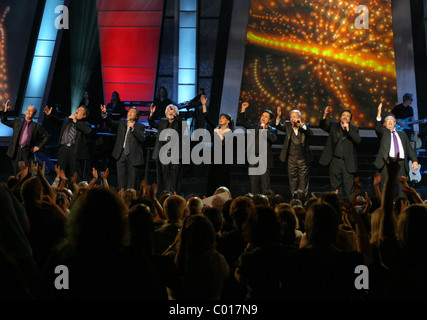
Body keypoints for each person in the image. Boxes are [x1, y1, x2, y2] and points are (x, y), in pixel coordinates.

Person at [374, 102, 418, 199]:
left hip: (401, 163)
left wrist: (414, 160)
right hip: (387, 162)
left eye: (392, 120)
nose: (390, 122)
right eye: (387, 120)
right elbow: (377, 128)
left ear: (395, 123)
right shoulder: (384, 133)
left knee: (403, 187)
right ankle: (386, 209)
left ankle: (403, 208)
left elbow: (409, 149)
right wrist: (379, 113)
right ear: (384, 124)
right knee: (386, 187)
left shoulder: (402, 134)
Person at [319, 106, 361, 199]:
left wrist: (348, 130)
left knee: (349, 188)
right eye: (343, 115)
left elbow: (358, 140)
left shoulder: (354, 129)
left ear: (350, 120)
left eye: (347, 116)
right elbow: (322, 126)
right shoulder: (334, 126)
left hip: (347, 163)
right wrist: (325, 115)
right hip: (335, 161)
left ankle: (349, 209)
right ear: (340, 117)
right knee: (335, 187)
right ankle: (336, 207)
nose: (345, 117)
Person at [101, 104, 146, 190]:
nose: (130, 113)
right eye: (129, 111)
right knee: (121, 179)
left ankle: (130, 197)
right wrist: (105, 114)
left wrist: (133, 129)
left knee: (132, 181)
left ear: (136, 116)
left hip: (134, 156)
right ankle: (121, 195)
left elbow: (142, 138)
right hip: (121, 154)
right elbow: (111, 122)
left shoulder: (140, 126)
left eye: (133, 112)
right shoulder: (122, 122)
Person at [237, 102, 278, 195]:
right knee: (253, 185)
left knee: (265, 186)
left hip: (265, 159)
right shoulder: (255, 126)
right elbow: (242, 122)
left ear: (270, 120)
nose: (263, 118)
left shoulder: (272, 130)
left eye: (266, 116)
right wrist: (243, 109)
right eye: (262, 116)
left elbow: (273, 139)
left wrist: (265, 131)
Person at [44, 105, 92, 181]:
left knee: (76, 175)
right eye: (77, 109)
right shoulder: (67, 120)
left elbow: (88, 131)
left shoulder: (85, 124)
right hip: (63, 149)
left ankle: (77, 191)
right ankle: (60, 191)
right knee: (61, 173)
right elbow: (57, 121)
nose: (77, 110)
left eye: (80, 110)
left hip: (74, 151)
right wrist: (49, 115)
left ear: (83, 116)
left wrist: (76, 121)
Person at [0, 101, 49, 175]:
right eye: (27, 110)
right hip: (16, 151)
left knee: (27, 174)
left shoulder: (37, 126)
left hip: (27, 152)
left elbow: (46, 136)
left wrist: (39, 147)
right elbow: (4, 121)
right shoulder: (17, 122)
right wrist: (5, 111)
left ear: (34, 114)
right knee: (16, 174)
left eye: (31, 111)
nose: (28, 112)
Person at [274, 107, 313, 199]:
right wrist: (278, 117)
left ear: (300, 118)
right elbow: (278, 126)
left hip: (303, 158)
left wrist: (301, 124)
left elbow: (311, 134)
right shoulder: (287, 126)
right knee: (293, 179)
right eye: (291, 117)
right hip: (291, 158)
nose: (293, 118)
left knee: (303, 180)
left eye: (295, 116)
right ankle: (294, 198)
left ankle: (303, 199)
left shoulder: (305, 126)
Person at [201, 95, 234, 196]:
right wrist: (204, 105)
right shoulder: (216, 129)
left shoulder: (229, 132)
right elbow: (207, 118)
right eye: (220, 118)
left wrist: (219, 133)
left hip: (224, 160)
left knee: (222, 179)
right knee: (212, 178)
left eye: (223, 118)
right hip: (214, 158)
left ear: (228, 121)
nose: (221, 119)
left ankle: (223, 195)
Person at [148, 103, 183, 194]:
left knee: (174, 175)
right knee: (164, 175)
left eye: (173, 110)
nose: (170, 111)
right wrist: (151, 114)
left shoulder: (179, 122)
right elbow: (152, 123)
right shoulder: (162, 122)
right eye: (169, 110)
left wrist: (176, 115)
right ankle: (166, 194)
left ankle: (174, 194)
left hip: (175, 153)